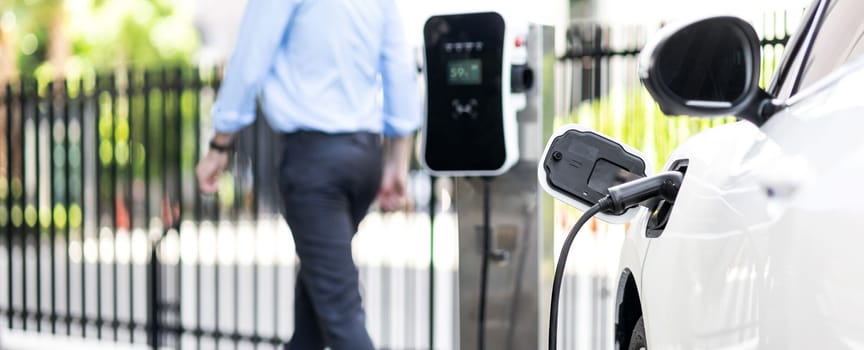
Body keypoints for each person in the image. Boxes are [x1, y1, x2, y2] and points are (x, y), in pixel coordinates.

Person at [194, 0, 421, 349]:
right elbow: (398, 67)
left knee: (341, 315)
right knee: (314, 312)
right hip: (364, 158)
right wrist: (397, 160)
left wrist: (220, 145)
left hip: (315, 164)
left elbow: (250, 59)